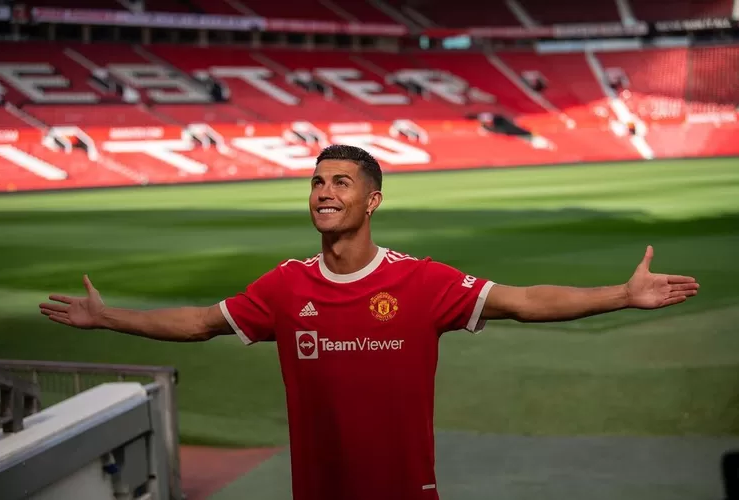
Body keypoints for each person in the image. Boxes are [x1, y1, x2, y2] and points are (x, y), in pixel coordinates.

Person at [39, 144, 700, 500]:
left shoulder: (422, 281)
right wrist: (109, 318)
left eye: (341, 183)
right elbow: (198, 323)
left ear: (373, 199)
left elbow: (523, 301)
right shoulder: (284, 285)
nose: (324, 192)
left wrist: (620, 293)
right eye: (317, 182)